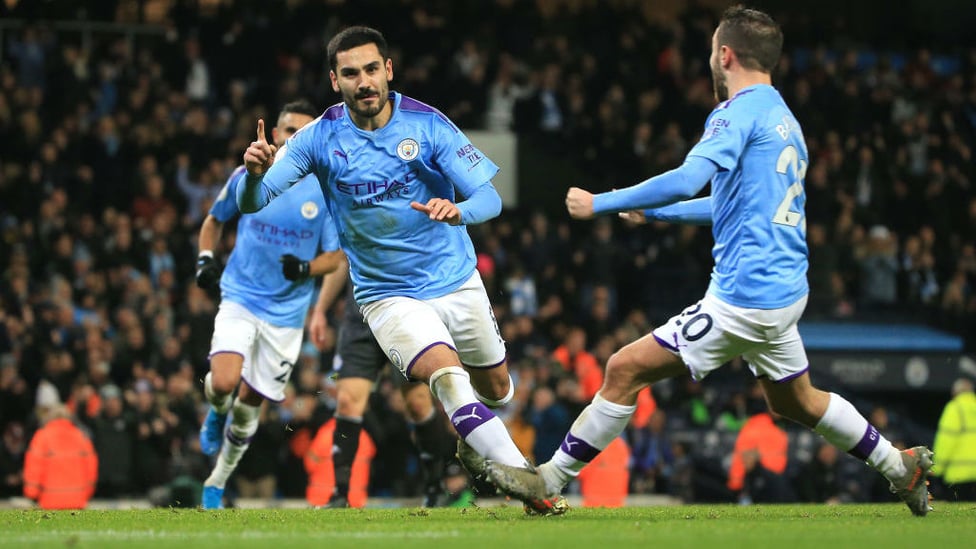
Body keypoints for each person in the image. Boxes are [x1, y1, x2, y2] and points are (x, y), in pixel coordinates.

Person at [485, 5, 933, 517]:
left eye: (711, 55)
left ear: (725, 54)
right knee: (795, 401)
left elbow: (686, 178)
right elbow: (726, 203)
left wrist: (600, 202)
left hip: (745, 296)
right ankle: (902, 468)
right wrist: (656, 215)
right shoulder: (785, 120)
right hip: (785, 291)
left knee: (623, 368)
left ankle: (548, 479)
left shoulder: (735, 113)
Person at [237, 26, 564, 515]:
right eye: (351, 73)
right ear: (335, 81)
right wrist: (255, 174)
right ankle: (532, 485)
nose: (364, 82)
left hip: (455, 278)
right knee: (446, 376)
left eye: (372, 69)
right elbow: (254, 201)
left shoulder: (428, 125)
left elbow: (489, 198)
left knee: (496, 387)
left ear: (388, 70)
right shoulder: (318, 138)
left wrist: (459, 211)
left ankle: (473, 445)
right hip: (386, 294)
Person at [195, 99, 346, 510]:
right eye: (287, 130)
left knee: (251, 405)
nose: (293, 138)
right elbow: (214, 220)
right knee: (225, 384)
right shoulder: (249, 176)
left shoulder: (324, 191)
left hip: (287, 314)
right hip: (242, 296)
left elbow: (337, 256)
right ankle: (214, 408)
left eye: (303, 132)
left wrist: (306, 268)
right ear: (275, 134)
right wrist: (205, 258)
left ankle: (217, 481)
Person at [307, 273, 456, 508]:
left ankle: (435, 488)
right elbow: (338, 259)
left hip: (405, 313)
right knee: (347, 402)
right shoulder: (350, 233)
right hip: (360, 318)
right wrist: (320, 310)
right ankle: (340, 494)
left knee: (417, 403)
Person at [22, 405, 98, 509]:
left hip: (49, 501)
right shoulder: (81, 437)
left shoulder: (42, 436)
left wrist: (31, 493)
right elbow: (91, 468)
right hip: (77, 500)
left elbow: (33, 468)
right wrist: (87, 493)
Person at [931, 378, 976, 501]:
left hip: (958, 476)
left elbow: (945, 442)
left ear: (955, 393)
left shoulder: (954, 408)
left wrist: (937, 470)